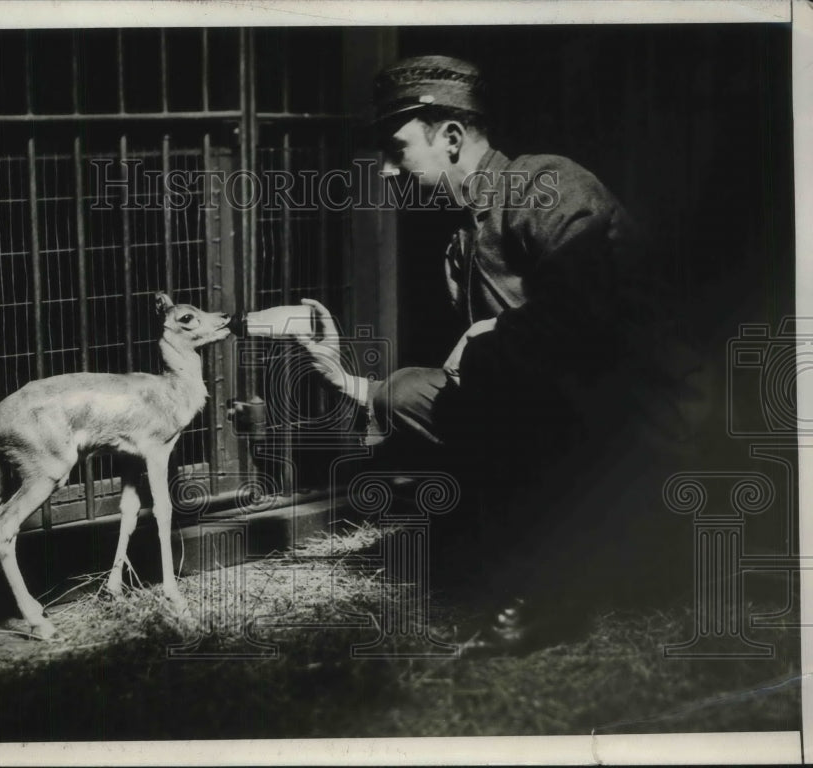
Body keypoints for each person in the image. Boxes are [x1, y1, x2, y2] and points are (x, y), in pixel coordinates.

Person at [298, 55, 710, 652]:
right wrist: (353, 387)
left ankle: (560, 585)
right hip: (570, 410)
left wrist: (489, 337)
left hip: (648, 413)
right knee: (414, 385)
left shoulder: (544, 183)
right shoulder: (461, 244)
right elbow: (474, 381)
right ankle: (530, 544)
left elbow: (593, 313)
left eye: (398, 149)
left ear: (453, 138)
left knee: (492, 368)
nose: (388, 171)